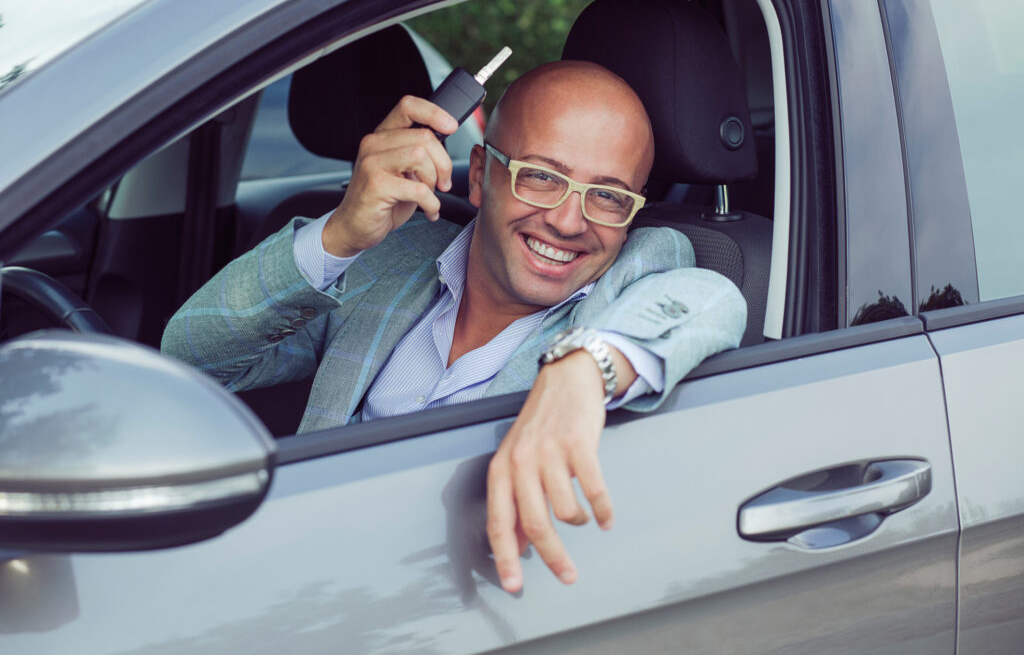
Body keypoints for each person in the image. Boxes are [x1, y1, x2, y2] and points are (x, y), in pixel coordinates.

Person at [162, 60, 746, 593]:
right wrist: (340, 234)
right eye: (541, 177)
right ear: (479, 175)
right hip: (295, 577)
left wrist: (585, 369)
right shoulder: (392, 257)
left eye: (608, 197)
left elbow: (708, 298)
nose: (569, 221)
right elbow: (194, 355)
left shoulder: (638, 274)